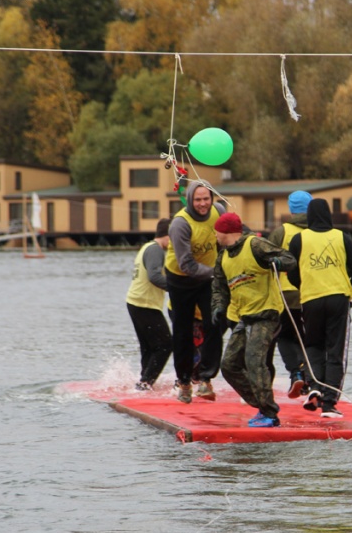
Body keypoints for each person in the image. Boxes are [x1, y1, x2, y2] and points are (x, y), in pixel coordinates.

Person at [211, 212, 297, 427]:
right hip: (245, 316)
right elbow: (219, 287)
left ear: (226, 232)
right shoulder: (223, 257)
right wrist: (219, 306)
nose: (215, 236)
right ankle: (262, 405)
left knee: (254, 361)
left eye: (216, 232)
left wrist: (278, 261)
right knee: (229, 365)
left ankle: (270, 415)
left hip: (267, 313)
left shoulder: (256, 244)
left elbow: (290, 259)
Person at [287, 198, 352, 418]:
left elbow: (291, 273)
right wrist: (349, 290)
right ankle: (329, 403)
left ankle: (314, 387)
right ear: (329, 215)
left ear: (310, 216)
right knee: (335, 350)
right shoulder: (342, 237)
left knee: (313, 345)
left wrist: (305, 286)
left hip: (311, 300)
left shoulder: (299, 239)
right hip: (338, 299)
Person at [164, 180, 224, 403]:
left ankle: (206, 379)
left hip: (207, 278)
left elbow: (226, 240)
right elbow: (187, 265)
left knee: (215, 323)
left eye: (206, 198)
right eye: (198, 200)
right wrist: (217, 273)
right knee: (182, 331)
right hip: (181, 279)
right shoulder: (180, 224)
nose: (202, 204)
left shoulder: (219, 211)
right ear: (190, 200)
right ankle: (184, 381)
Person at [267, 190, 312, 398]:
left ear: (291, 210)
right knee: (307, 339)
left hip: (284, 294)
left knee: (285, 337)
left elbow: (266, 262)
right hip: (311, 294)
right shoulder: (317, 230)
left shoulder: (281, 232)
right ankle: (310, 378)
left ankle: (296, 373)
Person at [125, 218, 172, 390]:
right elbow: (154, 277)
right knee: (166, 345)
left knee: (150, 347)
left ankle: (144, 379)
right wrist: (178, 289)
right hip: (144, 304)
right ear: (168, 235)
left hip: (135, 302)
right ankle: (145, 384)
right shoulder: (156, 250)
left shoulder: (146, 246)